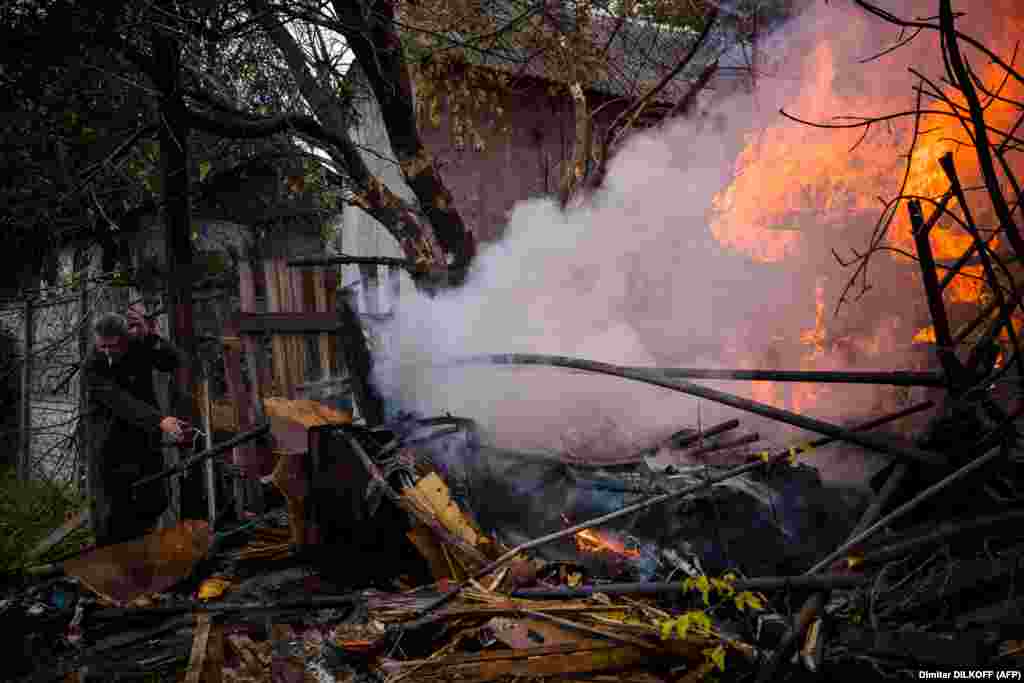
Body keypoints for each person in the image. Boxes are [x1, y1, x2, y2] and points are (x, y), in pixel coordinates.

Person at [85, 305, 187, 546]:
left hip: (144, 441)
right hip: (111, 445)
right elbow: (120, 402)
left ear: (126, 339)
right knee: (115, 514)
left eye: (113, 346)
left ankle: (144, 560)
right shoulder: (93, 364)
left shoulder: (137, 346)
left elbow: (172, 361)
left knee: (153, 501)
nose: (108, 353)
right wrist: (159, 420)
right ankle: (114, 566)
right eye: (103, 347)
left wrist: (149, 336)